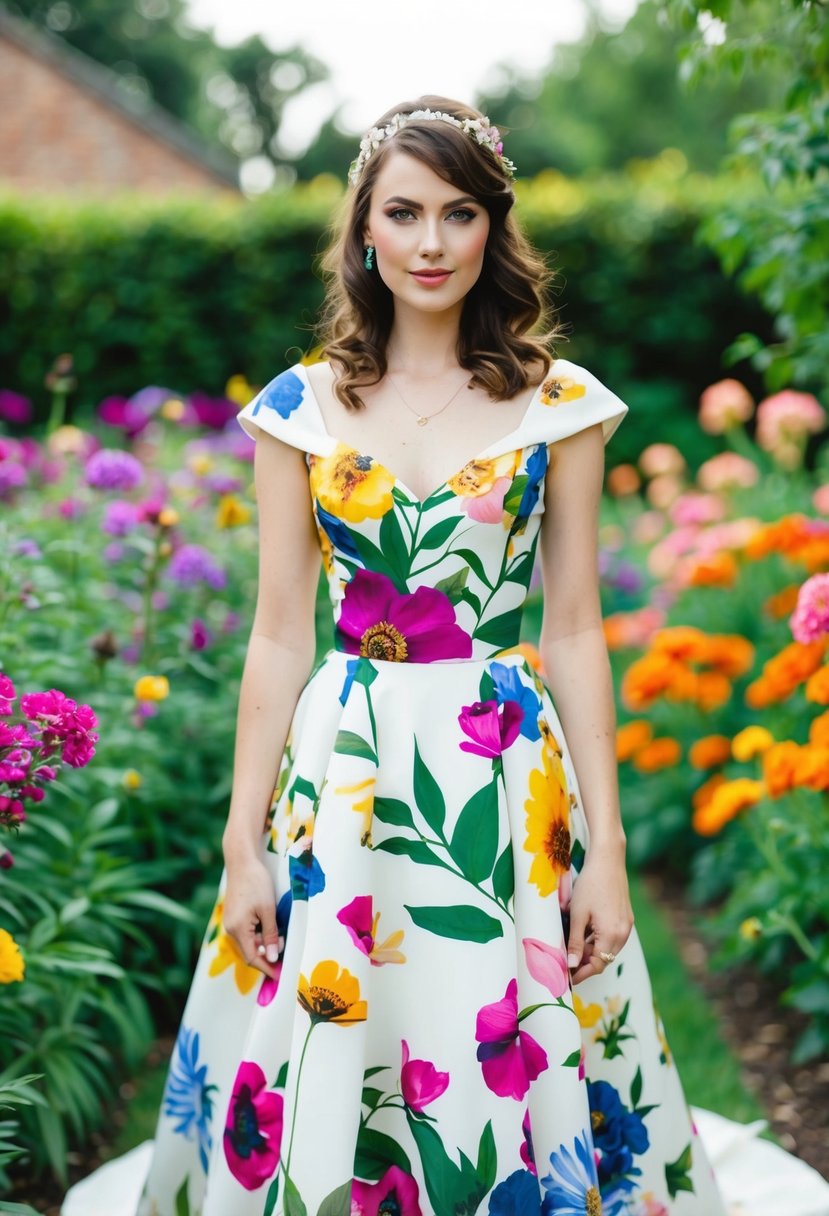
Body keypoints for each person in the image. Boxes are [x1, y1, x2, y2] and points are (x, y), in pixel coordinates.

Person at [133, 95, 729, 1216]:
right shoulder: (298, 411)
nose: (429, 243)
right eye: (402, 213)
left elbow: (571, 631)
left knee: (500, 1026)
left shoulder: (558, 408)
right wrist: (239, 842)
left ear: (491, 231)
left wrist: (602, 853)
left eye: (459, 215)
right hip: (342, 775)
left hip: (500, 768)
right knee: (338, 1028)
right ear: (364, 227)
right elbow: (276, 632)